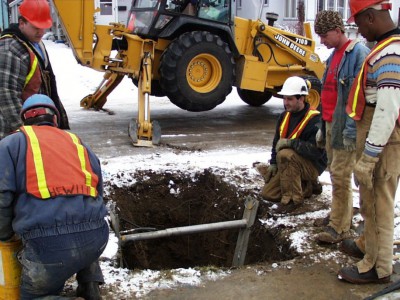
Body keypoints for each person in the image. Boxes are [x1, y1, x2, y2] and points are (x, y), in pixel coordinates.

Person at [0, 94, 108, 298]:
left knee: (34, 294)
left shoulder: (11, 144)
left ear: (24, 119)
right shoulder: (77, 143)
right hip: (97, 237)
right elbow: (97, 191)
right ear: (55, 119)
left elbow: (2, 196)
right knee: (83, 222)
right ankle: (90, 283)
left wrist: (4, 234)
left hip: (49, 245)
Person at [337, 0, 400, 284]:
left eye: (359, 23)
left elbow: (387, 109)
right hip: (380, 138)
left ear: (371, 17)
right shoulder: (387, 48)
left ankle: (378, 268)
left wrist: (369, 157)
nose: (359, 30)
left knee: (377, 205)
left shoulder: (389, 52)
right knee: (371, 202)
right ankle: (374, 256)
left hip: (383, 142)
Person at [313, 11, 370, 244]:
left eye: (324, 35)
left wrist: (350, 130)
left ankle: (339, 226)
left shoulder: (357, 53)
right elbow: (329, 94)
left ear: (338, 31)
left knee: (341, 174)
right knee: (335, 172)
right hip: (330, 123)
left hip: (345, 127)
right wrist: (322, 126)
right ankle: (339, 215)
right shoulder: (334, 55)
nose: (322, 41)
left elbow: (358, 98)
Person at [0, 0, 69, 140]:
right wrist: (26, 135)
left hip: (35, 128)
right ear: (21, 23)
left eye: (44, 27)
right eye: (36, 27)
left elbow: (47, 85)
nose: (41, 32)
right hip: (13, 135)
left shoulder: (34, 44)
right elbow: (6, 95)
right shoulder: (10, 49)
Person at [258, 76, 327, 206]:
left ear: (301, 98)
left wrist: (291, 143)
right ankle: (309, 186)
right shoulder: (285, 116)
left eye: (290, 99)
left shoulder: (315, 119)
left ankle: (293, 199)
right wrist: (273, 163)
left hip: (312, 165)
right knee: (268, 194)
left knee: (286, 154)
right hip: (289, 164)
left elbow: (317, 153)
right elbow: (276, 142)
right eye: (284, 98)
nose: (286, 103)